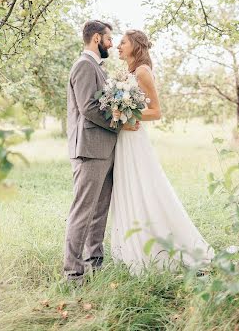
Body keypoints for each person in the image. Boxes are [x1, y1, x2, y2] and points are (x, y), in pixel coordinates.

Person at [110, 29, 215, 274]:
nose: (117, 46)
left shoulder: (143, 71)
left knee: (144, 187)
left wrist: (126, 113)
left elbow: (156, 111)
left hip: (135, 139)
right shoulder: (128, 73)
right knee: (128, 188)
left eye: (122, 43)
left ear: (135, 45)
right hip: (124, 138)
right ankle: (130, 247)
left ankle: (161, 246)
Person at [63, 20, 138, 283]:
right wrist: (118, 122)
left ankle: (94, 263)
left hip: (104, 149)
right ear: (96, 39)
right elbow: (88, 107)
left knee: (99, 211)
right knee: (83, 211)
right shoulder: (84, 66)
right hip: (89, 149)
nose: (111, 43)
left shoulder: (98, 67)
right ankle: (73, 273)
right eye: (108, 39)